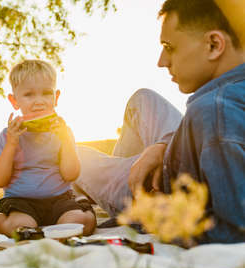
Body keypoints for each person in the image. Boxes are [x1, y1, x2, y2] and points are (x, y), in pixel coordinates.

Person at [73, 0, 244, 243]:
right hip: (173, 153)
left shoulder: (212, 112)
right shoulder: (223, 101)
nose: (161, 61)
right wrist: (163, 145)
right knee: (142, 99)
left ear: (214, 44)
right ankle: (135, 163)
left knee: (73, 153)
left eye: (169, 47)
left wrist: (156, 216)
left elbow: (234, 230)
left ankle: (107, 192)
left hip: (154, 190)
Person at [0, 60, 96, 237]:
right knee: (19, 228)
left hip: (60, 199)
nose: (39, 101)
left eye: (46, 93)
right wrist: (12, 144)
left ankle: (82, 209)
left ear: (57, 97)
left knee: (79, 225)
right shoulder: (8, 135)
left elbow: (71, 174)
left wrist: (66, 140)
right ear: (14, 101)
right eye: (29, 95)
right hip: (20, 203)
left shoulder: (64, 132)